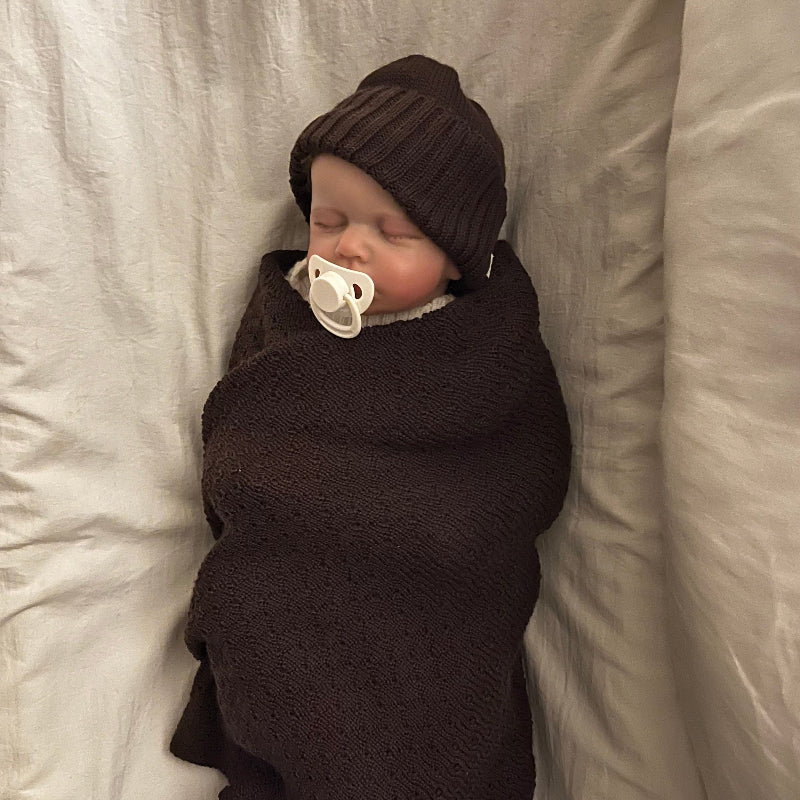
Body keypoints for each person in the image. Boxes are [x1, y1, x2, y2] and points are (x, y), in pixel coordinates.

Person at [170, 54, 571, 800]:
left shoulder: (485, 340)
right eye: (330, 220)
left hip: (431, 593)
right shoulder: (284, 306)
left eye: (393, 232)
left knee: (426, 731)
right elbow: (243, 435)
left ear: (457, 259)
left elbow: (526, 472)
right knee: (270, 633)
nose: (350, 247)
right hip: (293, 582)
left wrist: (441, 524)